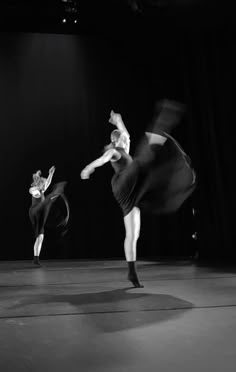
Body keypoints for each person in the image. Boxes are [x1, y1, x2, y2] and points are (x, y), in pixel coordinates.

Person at [81, 103, 196, 287]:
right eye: (124, 141)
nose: (127, 142)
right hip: (122, 183)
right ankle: (162, 123)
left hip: (132, 192)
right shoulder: (115, 151)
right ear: (117, 141)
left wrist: (118, 120)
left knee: (133, 234)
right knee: (143, 160)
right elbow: (103, 158)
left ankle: (132, 273)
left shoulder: (125, 152)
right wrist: (89, 168)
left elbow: (126, 135)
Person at [29, 166, 68, 266]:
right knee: (47, 200)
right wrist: (37, 188)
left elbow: (47, 183)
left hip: (41, 213)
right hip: (35, 211)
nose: (45, 185)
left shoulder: (42, 190)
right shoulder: (34, 189)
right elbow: (33, 191)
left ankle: (36, 259)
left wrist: (51, 174)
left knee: (40, 237)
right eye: (43, 183)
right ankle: (55, 193)